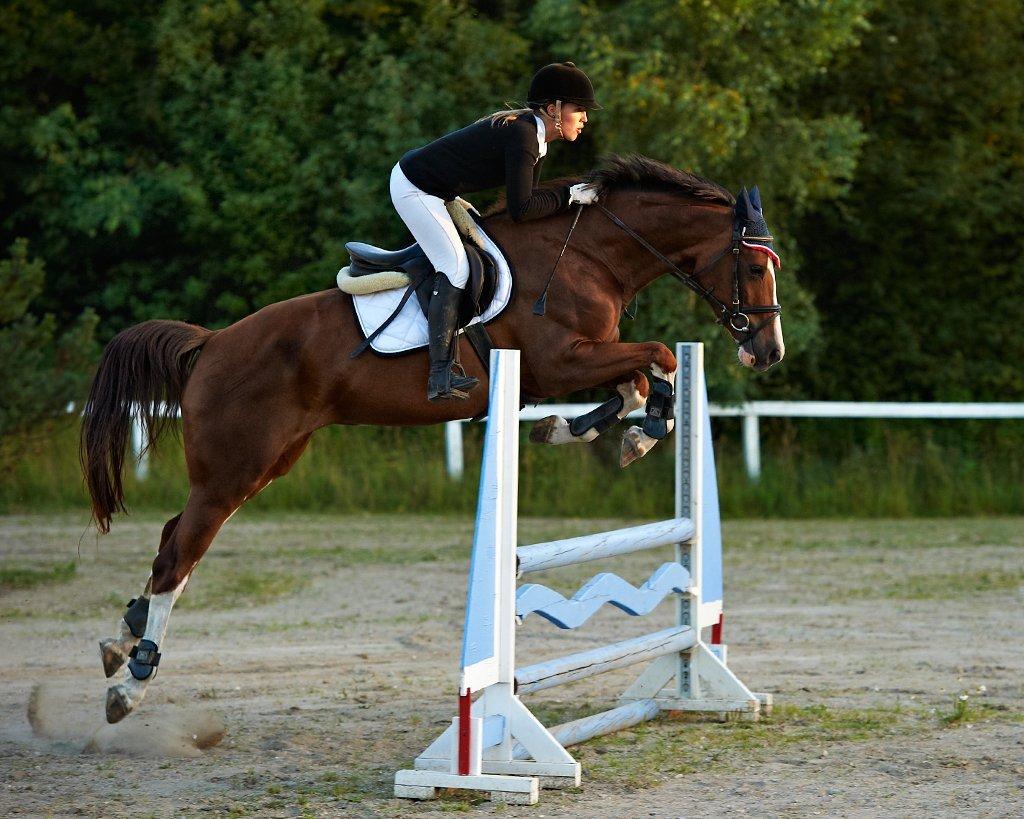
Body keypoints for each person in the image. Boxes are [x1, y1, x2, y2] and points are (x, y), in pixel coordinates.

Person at [392, 62, 603, 400]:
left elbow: (526, 207)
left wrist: (569, 198)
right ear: (554, 110)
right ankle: (439, 374)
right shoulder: (522, 137)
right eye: (579, 109)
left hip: (437, 192)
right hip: (415, 189)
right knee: (456, 267)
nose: (585, 118)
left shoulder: (535, 138)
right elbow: (521, 210)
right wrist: (570, 195)